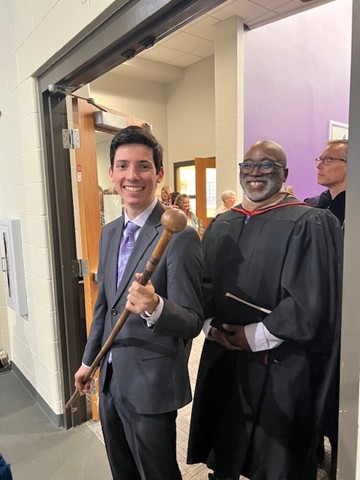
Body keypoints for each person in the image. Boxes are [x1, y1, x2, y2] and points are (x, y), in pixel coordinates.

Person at [187, 140, 343, 480]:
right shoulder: (222, 224)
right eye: (249, 166)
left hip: (281, 363)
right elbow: (204, 285)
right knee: (225, 444)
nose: (256, 173)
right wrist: (210, 325)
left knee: (276, 460)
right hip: (223, 353)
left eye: (268, 165)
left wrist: (253, 335)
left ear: (285, 173)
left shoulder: (311, 223)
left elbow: (310, 299)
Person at [74, 126, 203, 480]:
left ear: (159, 174)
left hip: (152, 382)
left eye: (143, 166)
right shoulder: (110, 230)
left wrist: (154, 305)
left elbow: (193, 320)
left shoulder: (180, 236)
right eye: (123, 166)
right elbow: (105, 305)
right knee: (122, 468)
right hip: (111, 378)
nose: (133, 176)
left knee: (157, 471)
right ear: (112, 173)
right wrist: (90, 361)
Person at [305, 139, 347, 228]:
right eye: (320, 160)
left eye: (328, 159)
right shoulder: (311, 204)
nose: (318, 166)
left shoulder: (354, 209)